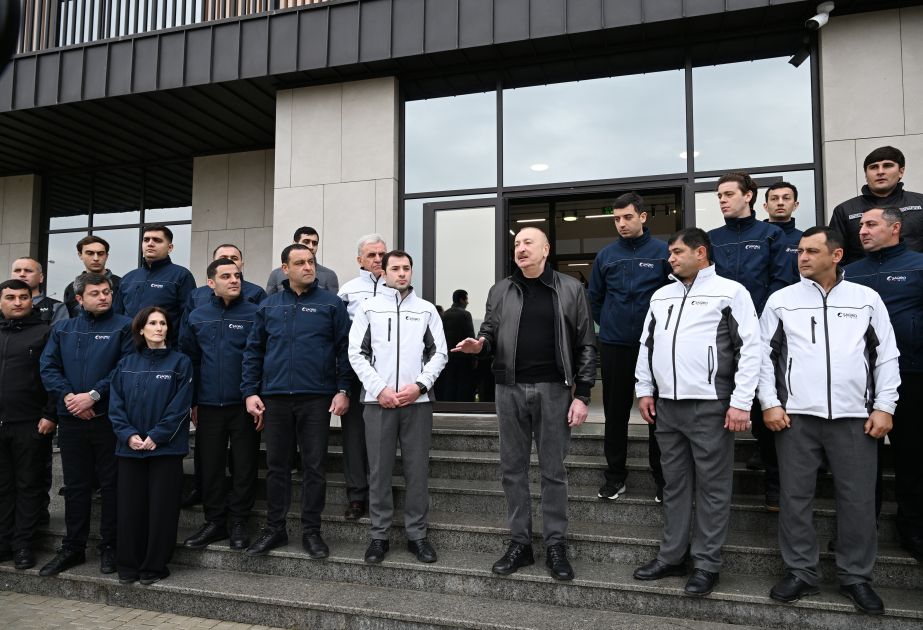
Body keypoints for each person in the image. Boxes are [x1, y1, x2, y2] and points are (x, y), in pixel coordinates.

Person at [759, 227, 898, 615]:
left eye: (811, 251)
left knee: (857, 499)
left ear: (836, 256)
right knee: (794, 497)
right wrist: (770, 403)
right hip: (796, 418)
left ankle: (855, 577)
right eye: (800, 251)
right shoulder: (781, 300)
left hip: (855, 418)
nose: (802, 257)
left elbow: (886, 355)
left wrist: (884, 406)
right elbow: (762, 357)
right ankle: (801, 572)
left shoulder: (866, 299)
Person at [453, 227, 596, 581]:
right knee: (512, 470)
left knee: (553, 471)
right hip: (510, 390)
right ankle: (520, 543)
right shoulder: (501, 290)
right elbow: (489, 333)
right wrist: (479, 345)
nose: (520, 248)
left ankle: (556, 544)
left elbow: (586, 344)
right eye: (517, 243)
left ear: (546, 249)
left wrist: (582, 395)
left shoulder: (570, 289)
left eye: (528, 242)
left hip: (554, 390)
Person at [632, 228, 760, 598]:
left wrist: (741, 401)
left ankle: (706, 564)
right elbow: (647, 345)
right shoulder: (662, 295)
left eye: (677, 252)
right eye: (670, 252)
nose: (670, 258)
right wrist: (645, 389)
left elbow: (750, 348)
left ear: (700, 252)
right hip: (667, 407)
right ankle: (672, 556)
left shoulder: (730, 292)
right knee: (674, 485)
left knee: (713, 488)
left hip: (710, 405)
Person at [241, 244, 351, 558]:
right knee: (277, 467)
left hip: (317, 398)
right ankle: (275, 529)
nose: (308, 267)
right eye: (300, 262)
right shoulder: (269, 306)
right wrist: (250, 392)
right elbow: (253, 351)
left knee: (314, 467)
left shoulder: (331, 303)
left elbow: (345, 349)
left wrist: (343, 389)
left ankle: (311, 531)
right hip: (275, 398)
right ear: (285, 269)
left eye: (311, 261)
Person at [349, 250, 447, 564]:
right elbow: (356, 353)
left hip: (416, 403)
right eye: (395, 268)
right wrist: (379, 389)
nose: (402, 273)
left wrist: (419, 386)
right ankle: (379, 536)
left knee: (417, 471)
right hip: (378, 402)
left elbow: (439, 354)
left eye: (406, 268)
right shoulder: (368, 308)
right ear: (384, 272)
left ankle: (417, 536)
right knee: (379, 471)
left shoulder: (426, 310)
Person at [38, 273, 132, 577]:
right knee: (76, 487)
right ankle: (73, 548)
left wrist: (93, 396)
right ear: (79, 298)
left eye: (107, 291)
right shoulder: (63, 329)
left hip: (108, 420)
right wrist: (69, 398)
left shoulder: (125, 326)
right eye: (96, 293)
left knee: (112, 486)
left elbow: (125, 368)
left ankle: (110, 546)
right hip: (71, 419)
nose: (104, 297)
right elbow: (48, 367)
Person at [843, 207, 923, 563]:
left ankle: (913, 529)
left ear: (895, 228)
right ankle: (862, 529)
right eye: (861, 225)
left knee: (912, 457)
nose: (862, 230)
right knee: (861, 462)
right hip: (861, 380)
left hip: (912, 375)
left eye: (871, 224)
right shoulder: (850, 273)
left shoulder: (918, 266)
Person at [708, 171, 787, 511]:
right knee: (719, 409)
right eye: (719, 196)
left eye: (728, 194)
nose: (722, 200)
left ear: (749, 195)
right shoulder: (712, 238)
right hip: (722, 338)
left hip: (762, 335)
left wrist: (757, 322)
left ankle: (775, 485)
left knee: (766, 409)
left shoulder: (771, 234)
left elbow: (781, 281)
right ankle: (714, 489)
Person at [587, 192, 669, 502]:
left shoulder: (663, 252)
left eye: (627, 217)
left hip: (654, 346)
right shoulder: (606, 256)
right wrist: (610, 322)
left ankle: (662, 478)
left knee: (656, 413)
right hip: (615, 345)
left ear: (643, 217)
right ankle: (615, 476)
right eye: (617, 219)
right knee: (616, 412)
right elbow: (595, 299)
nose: (621, 223)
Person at [180, 258, 262, 552]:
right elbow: (190, 360)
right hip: (208, 404)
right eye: (226, 276)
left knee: (244, 465)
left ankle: (239, 521)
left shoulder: (255, 313)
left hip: (244, 405)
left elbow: (261, 358)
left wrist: (257, 396)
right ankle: (214, 521)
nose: (234, 280)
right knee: (211, 466)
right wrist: (193, 402)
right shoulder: (197, 316)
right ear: (211, 283)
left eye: (237, 275)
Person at [108, 306, 192, 585]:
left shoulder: (180, 363)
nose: (159, 328)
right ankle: (128, 566)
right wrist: (128, 434)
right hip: (129, 449)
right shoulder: (125, 363)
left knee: (161, 511)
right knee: (129, 509)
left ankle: (154, 567)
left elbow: (180, 406)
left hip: (165, 449)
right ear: (141, 329)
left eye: (163, 323)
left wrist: (157, 435)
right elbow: (115, 405)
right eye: (153, 323)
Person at [336, 234, 396, 520]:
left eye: (382, 254)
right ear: (359, 259)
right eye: (371, 255)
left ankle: (379, 495)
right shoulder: (347, 291)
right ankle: (357, 497)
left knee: (384, 437)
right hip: (356, 374)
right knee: (354, 438)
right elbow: (339, 338)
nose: (378, 260)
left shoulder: (397, 287)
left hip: (388, 377)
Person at [0, 279, 56, 571]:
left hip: (31, 424)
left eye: (23, 297)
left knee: (28, 486)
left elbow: (55, 375)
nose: (18, 302)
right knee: (3, 487)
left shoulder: (45, 332)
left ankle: (23, 545)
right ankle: (3, 542)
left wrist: (50, 414)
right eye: (11, 297)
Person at [829, 145, 923, 265]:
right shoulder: (844, 210)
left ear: (901, 171)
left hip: (914, 275)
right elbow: (835, 257)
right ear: (866, 175)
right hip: (862, 276)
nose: (880, 172)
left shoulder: (920, 203)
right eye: (873, 167)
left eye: (887, 165)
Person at [116, 225, 196, 338]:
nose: (150, 243)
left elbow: (188, 317)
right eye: (146, 240)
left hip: (165, 345)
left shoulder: (181, 275)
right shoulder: (128, 278)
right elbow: (117, 315)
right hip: (129, 345)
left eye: (157, 240)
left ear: (170, 248)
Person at [186, 244, 266, 310]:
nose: (229, 261)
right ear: (213, 263)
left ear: (242, 264)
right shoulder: (196, 295)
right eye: (223, 258)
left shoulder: (257, 293)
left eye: (234, 258)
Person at [265, 226, 339, 294]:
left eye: (314, 243)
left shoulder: (329, 275)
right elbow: (270, 302)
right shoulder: (276, 274)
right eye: (306, 242)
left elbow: (334, 302)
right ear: (294, 243)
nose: (311, 247)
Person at [62, 235, 122, 317]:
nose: (96, 258)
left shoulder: (121, 284)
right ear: (80, 255)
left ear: (106, 256)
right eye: (90, 253)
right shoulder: (71, 288)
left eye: (100, 253)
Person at [436, 289, 475, 402]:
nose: (467, 302)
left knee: (449, 384)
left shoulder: (445, 315)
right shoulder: (466, 314)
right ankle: (463, 408)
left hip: (448, 357)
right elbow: (470, 338)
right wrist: (474, 357)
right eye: (466, 299)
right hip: (464, 357)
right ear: (462, 300)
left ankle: (449, 407)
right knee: (464, 385)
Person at [763, 181, 803, 287]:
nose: (780, 203)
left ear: (795, 205)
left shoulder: (804, 240)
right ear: (765, 206)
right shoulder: (755, 237)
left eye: (786, 198)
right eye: (774, 199)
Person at [11, 257, 68, 324]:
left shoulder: (55, 307)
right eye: (17, 270)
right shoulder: (2, 305)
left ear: (41, 278)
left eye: (28, 271)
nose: (22, 274)